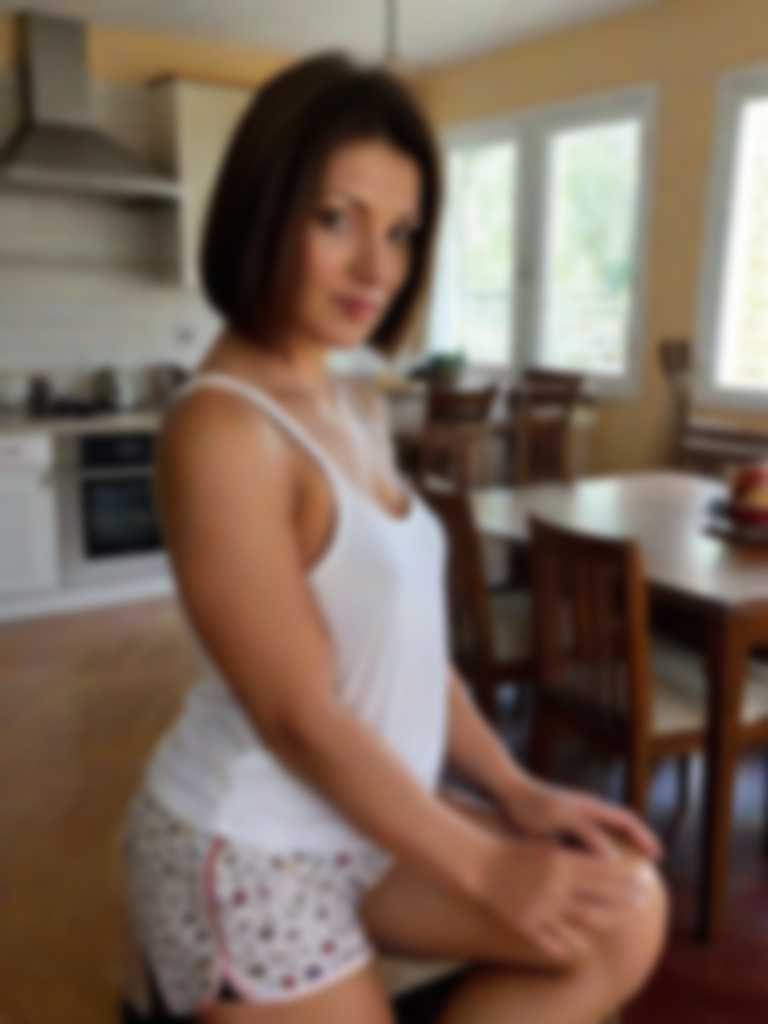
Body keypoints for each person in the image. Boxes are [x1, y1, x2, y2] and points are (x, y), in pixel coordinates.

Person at [122, 51, 667, 1024]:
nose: (377, 268)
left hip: (367, 823)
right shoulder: (221, 430)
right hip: (249, 850)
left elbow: (413, 653)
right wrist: (488, 866)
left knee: (625, 909)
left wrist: (514, 789)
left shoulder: (354, 402)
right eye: (337, 220)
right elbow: (299, 715)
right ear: (262, 211)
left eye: (402, 233)